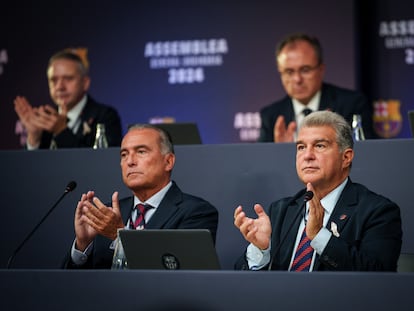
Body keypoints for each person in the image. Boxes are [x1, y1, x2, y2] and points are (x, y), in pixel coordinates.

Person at [234, 110, 402, 271]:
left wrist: (319, 236)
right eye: (301, 147)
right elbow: (243, 284)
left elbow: (377, 276)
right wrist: (261, 250)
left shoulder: (378, 212)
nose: (307, 155)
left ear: (346, 157)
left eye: (319, 146)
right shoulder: (280, 211)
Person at [63, 124, 218, 269]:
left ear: (168, 161)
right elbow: (73, 287)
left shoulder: (197, 212)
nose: (130, 161)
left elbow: (182, 273)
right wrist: (82, 246)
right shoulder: (106, 215)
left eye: (141, 152)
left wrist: (118, 235)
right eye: (124, 154)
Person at [258, 33, 376, 142]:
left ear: (321, 69)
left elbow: (365, 156)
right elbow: (260, 161)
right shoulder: (270, 116)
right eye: (289, 72)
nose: (297, 79)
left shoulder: (351, 105)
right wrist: (279, 153)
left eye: (305, 70)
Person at [14, 49, 122, 149]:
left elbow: (101, 163)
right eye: (54, 80)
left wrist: (61, 131)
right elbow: (32, 168)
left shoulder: (105, 117)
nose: (60, 87)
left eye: (68, 79)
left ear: (85, 83)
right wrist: (33, 138)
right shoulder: (44, 120)